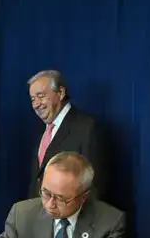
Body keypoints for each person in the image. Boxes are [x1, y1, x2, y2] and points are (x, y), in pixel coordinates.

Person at [27, 70, 105, 199]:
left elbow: (93, 184)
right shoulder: (42, 131)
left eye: (41, 96)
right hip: (40, 210)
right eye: (33, 99)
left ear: (61, 93)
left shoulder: (86, 127)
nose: (36, 104)